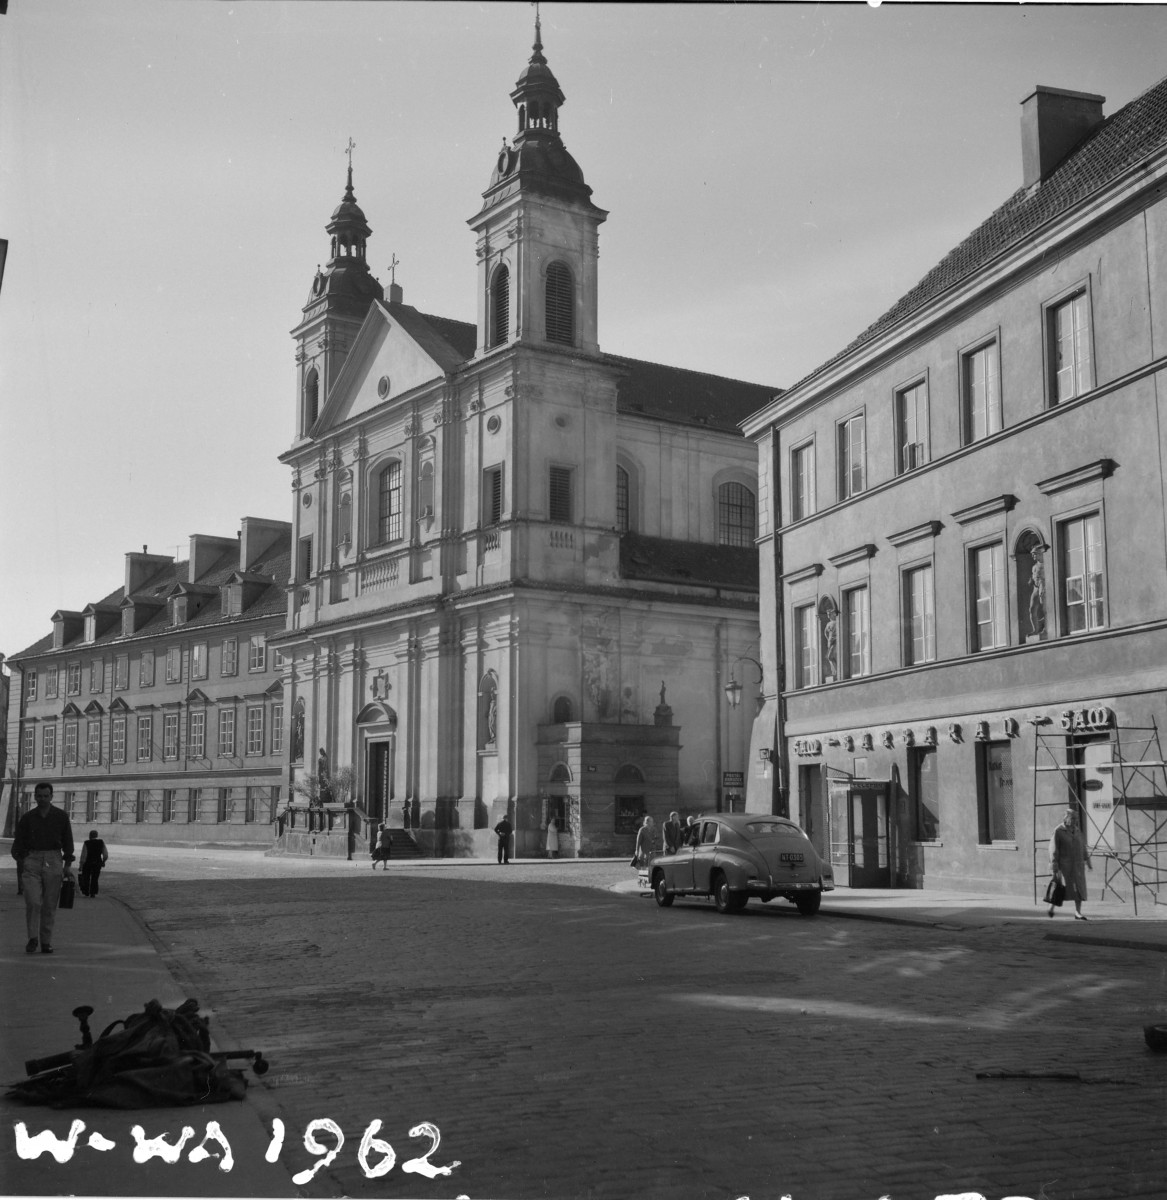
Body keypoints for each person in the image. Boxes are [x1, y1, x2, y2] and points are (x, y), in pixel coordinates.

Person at [11, 782, 76, 954]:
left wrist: (67, 865)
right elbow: (18, 843)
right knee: (33, 901)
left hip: (54, 859)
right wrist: (23, 859)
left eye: (46, 796)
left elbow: (68, 841)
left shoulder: (61, 816)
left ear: (51, 796)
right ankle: (33, 938)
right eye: (39, 796)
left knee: (49, 904)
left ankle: (46, 942)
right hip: (32, 859)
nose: (42, 799)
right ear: (35, 797)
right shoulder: (27, 818)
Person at [1049, 807, 1092, 919]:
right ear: (1066, 818)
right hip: (1064, 866)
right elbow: (1053, 850)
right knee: (1061, 887)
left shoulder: (1077, 831)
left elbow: (1082, 846)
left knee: (1079, 889)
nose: (1075, 821)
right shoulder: (1058, 831)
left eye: (1076, 819)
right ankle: (1052, 906)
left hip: (1077, 866)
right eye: (1073, 818)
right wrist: (1054, 868)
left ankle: (1078, 912)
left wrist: (1087, 860)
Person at [78, 830, 109, 897]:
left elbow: (83, 855)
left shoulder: (86, 843)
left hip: (87, 863)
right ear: (96, 835)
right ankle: (93, 892)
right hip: (97, 863)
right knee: (95, 878)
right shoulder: (101, 842)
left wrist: (81, 865)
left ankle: (86, 891)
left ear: (90, 836)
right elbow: (105, 854)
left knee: (86, 877)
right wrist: (103, 861)